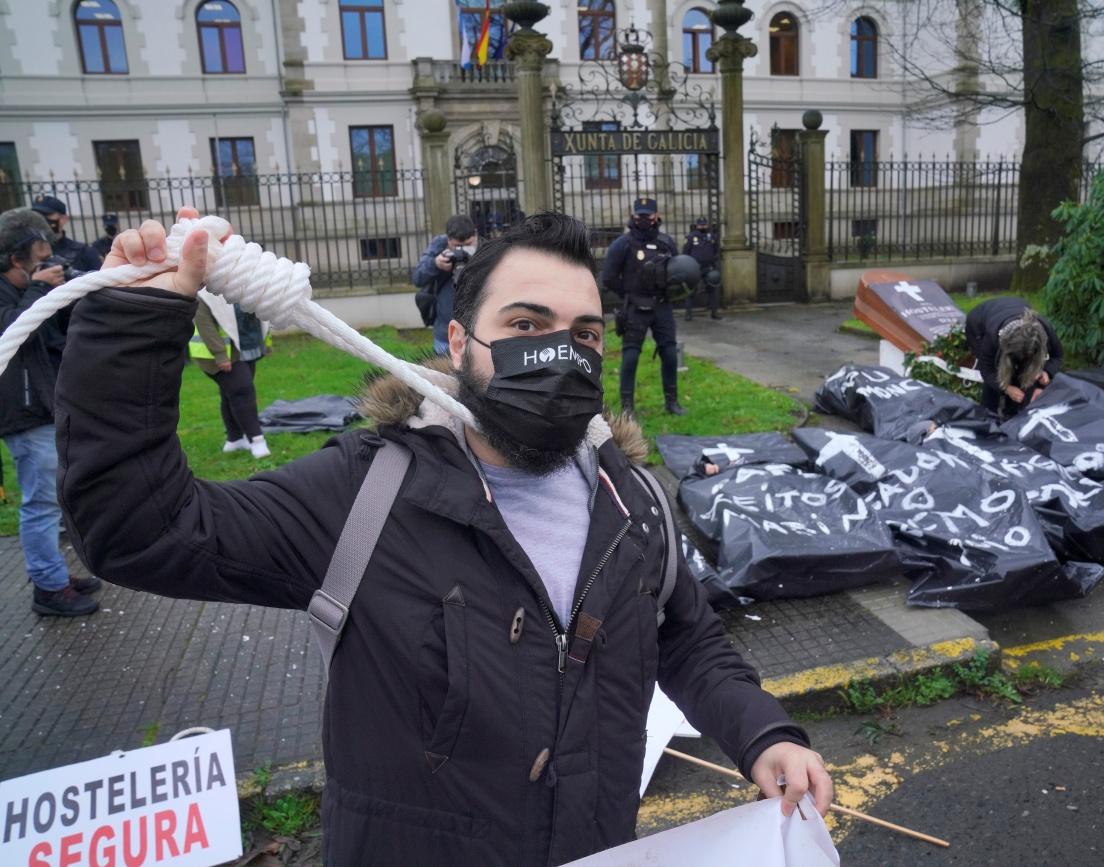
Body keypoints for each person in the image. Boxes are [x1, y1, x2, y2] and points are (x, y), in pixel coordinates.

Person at [56, 208, 832, 864]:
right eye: (527, 325)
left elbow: (688, 639)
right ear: (459, 344)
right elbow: (138, 529)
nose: (561, 353)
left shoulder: (630, 498)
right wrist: (131, 329)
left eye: (585, 334)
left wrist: (763, 733)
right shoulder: (365, 490)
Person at [0, 209, 99, 616]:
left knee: (54, 497)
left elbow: (50, 335)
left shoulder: (26, 289)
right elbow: (10, 332)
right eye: (38, 258)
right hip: (21, 416)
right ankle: (48, 588)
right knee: (40, 504)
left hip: (41, 406)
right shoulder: (9, 293)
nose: (45, 263)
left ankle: (54, 574)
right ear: (14, 259)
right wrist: (39, 290)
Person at [601, 197, 685, 417]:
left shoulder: (666, 243)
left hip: (661, 307)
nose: (644, 219)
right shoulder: (623, 244)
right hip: (635, 309)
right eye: (640, 215)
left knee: (670, 354)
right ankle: (628, 407)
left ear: (656, 216)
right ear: (633, 215)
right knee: (630, 356)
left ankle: (672, 402)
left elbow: (677, 272)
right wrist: (627, 294)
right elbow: (608, 277)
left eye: (648, 215)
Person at [191, 295, 271, 458]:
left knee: (231, 393)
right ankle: (257, 441)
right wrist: (220, 354)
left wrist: (265, 343)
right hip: (217, 354)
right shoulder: (206, 292)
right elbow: (204, 323)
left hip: (246, 348)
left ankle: (234, 439)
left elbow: (261, 315)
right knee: (242, 391)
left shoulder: (244, 283)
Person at [964, 296, 1064, 418]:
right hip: (978, 323)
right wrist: (1006, 388)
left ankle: (1016, 413)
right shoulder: (992, 338)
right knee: (997, 373)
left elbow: (1057, 356)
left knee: (1026, 372)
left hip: (1014, 307)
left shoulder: (1046, 331)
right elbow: (986, 369)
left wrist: (1047, 372)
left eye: (1030, 354)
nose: (1024, 358)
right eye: (1020, 355)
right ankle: (988, 416)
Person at [413, 214, 477, 354]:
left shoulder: (485, 248)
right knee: (442, 374)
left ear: (476, 236)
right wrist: (435, 263)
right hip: (445, 332)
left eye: (467, 246)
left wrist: (477, 262)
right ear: (448, 241)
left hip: (477, 332)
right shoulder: (439, 245)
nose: (461, 251)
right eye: (457, 247)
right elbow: (417, 278)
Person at [30, 195, 103, 273]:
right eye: (36, 216)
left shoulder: (84, 252)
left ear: (63, 219)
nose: (39, 220)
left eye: (46, 215)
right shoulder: (26, 254)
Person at [684, 216, 722, 321]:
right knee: (691, 290)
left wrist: (713, 261)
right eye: (701, 225)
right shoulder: (691, 237)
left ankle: (714, 312)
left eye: (704, 224)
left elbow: (716, 250)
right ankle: (688, 313)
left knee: (712, 289)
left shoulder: (711, 236)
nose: (702, 226)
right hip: (695, 267)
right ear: (697, 225)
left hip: (708, 267)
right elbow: (686, 252)